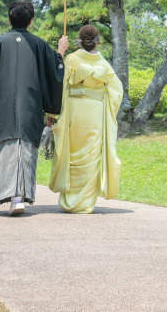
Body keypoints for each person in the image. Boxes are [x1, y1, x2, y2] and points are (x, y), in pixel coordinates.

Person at [0, 1, 68, 216]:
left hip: (2, 106)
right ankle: (19, 197)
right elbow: (55, 74)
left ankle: (11, 198)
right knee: (23, 148)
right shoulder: (39, 44)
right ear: (31, 21)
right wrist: (61, 51)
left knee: (7, 147)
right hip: (30, 106)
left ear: (9, 19)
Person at [48, 25, 123, 214]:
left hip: (75, 111)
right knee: (91, 156)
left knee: (72, 154)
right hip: (95, 113)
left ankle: (69, 201)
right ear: (97, 41)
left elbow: (60, 87)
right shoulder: (104, 64)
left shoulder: (71, 59)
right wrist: (107, 106)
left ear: (79, 41)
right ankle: (85, 204)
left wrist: (53, 113)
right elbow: (117, 90)